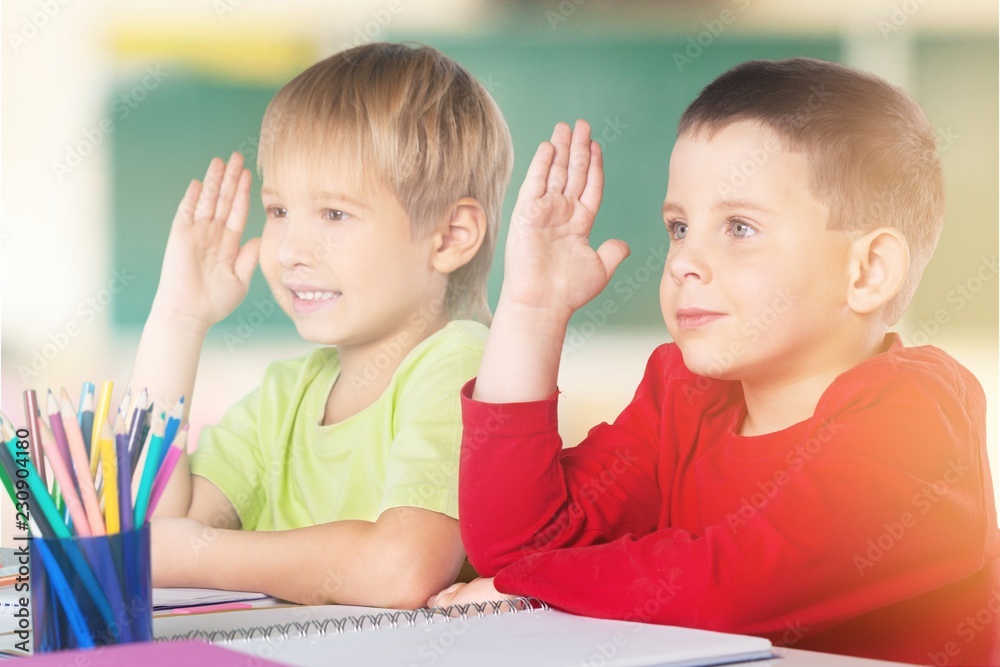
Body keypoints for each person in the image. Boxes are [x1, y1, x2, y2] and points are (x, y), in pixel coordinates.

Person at [429, 58, 1000, 666]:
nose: (682, 262)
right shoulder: (684, 394)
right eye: (678, 227)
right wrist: (533, 309)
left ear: (868, 271)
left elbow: (735, 586)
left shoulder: (914, 418)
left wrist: (530, 588)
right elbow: (518, 544)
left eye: (739, 226)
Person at [130, 42, 513, 608]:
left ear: (452, 236)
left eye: (334, 214)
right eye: (279, 210)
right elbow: (150, 529)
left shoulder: (465, 364)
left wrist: (196, 554)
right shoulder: (287, 395)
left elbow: (401, 569)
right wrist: (178, 318)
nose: (289, 251)